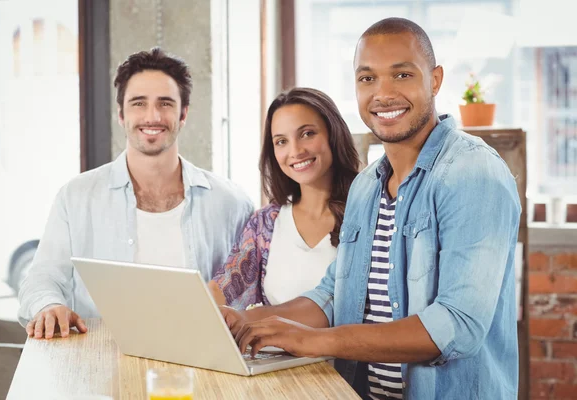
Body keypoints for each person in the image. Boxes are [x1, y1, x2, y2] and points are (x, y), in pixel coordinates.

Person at [220, 18, 520, 400]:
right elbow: (334, 294)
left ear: (435, 79)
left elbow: (457, 324)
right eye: (367, 79)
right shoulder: (366, 187)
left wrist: (318, 341)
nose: (383, 94)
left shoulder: (472, 172)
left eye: (401, 74)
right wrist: (245, 320)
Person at [18, 48, 253, 339]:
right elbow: (43, 277)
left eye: (165, 103)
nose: (152, 116)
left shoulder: (231, 203)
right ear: (121, 114)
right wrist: (49, 305)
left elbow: (249, 293)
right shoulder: (76, 197)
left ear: (183, 114)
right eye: (139, 103)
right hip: (98, 363)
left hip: (203, 367)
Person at [209, 87, 360, 309]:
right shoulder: (265, 223)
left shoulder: (369, 212)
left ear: (333, 134)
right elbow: (221, 290)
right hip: (272, 345)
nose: (296, 151)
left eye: (307, 133)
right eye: (281, 141)